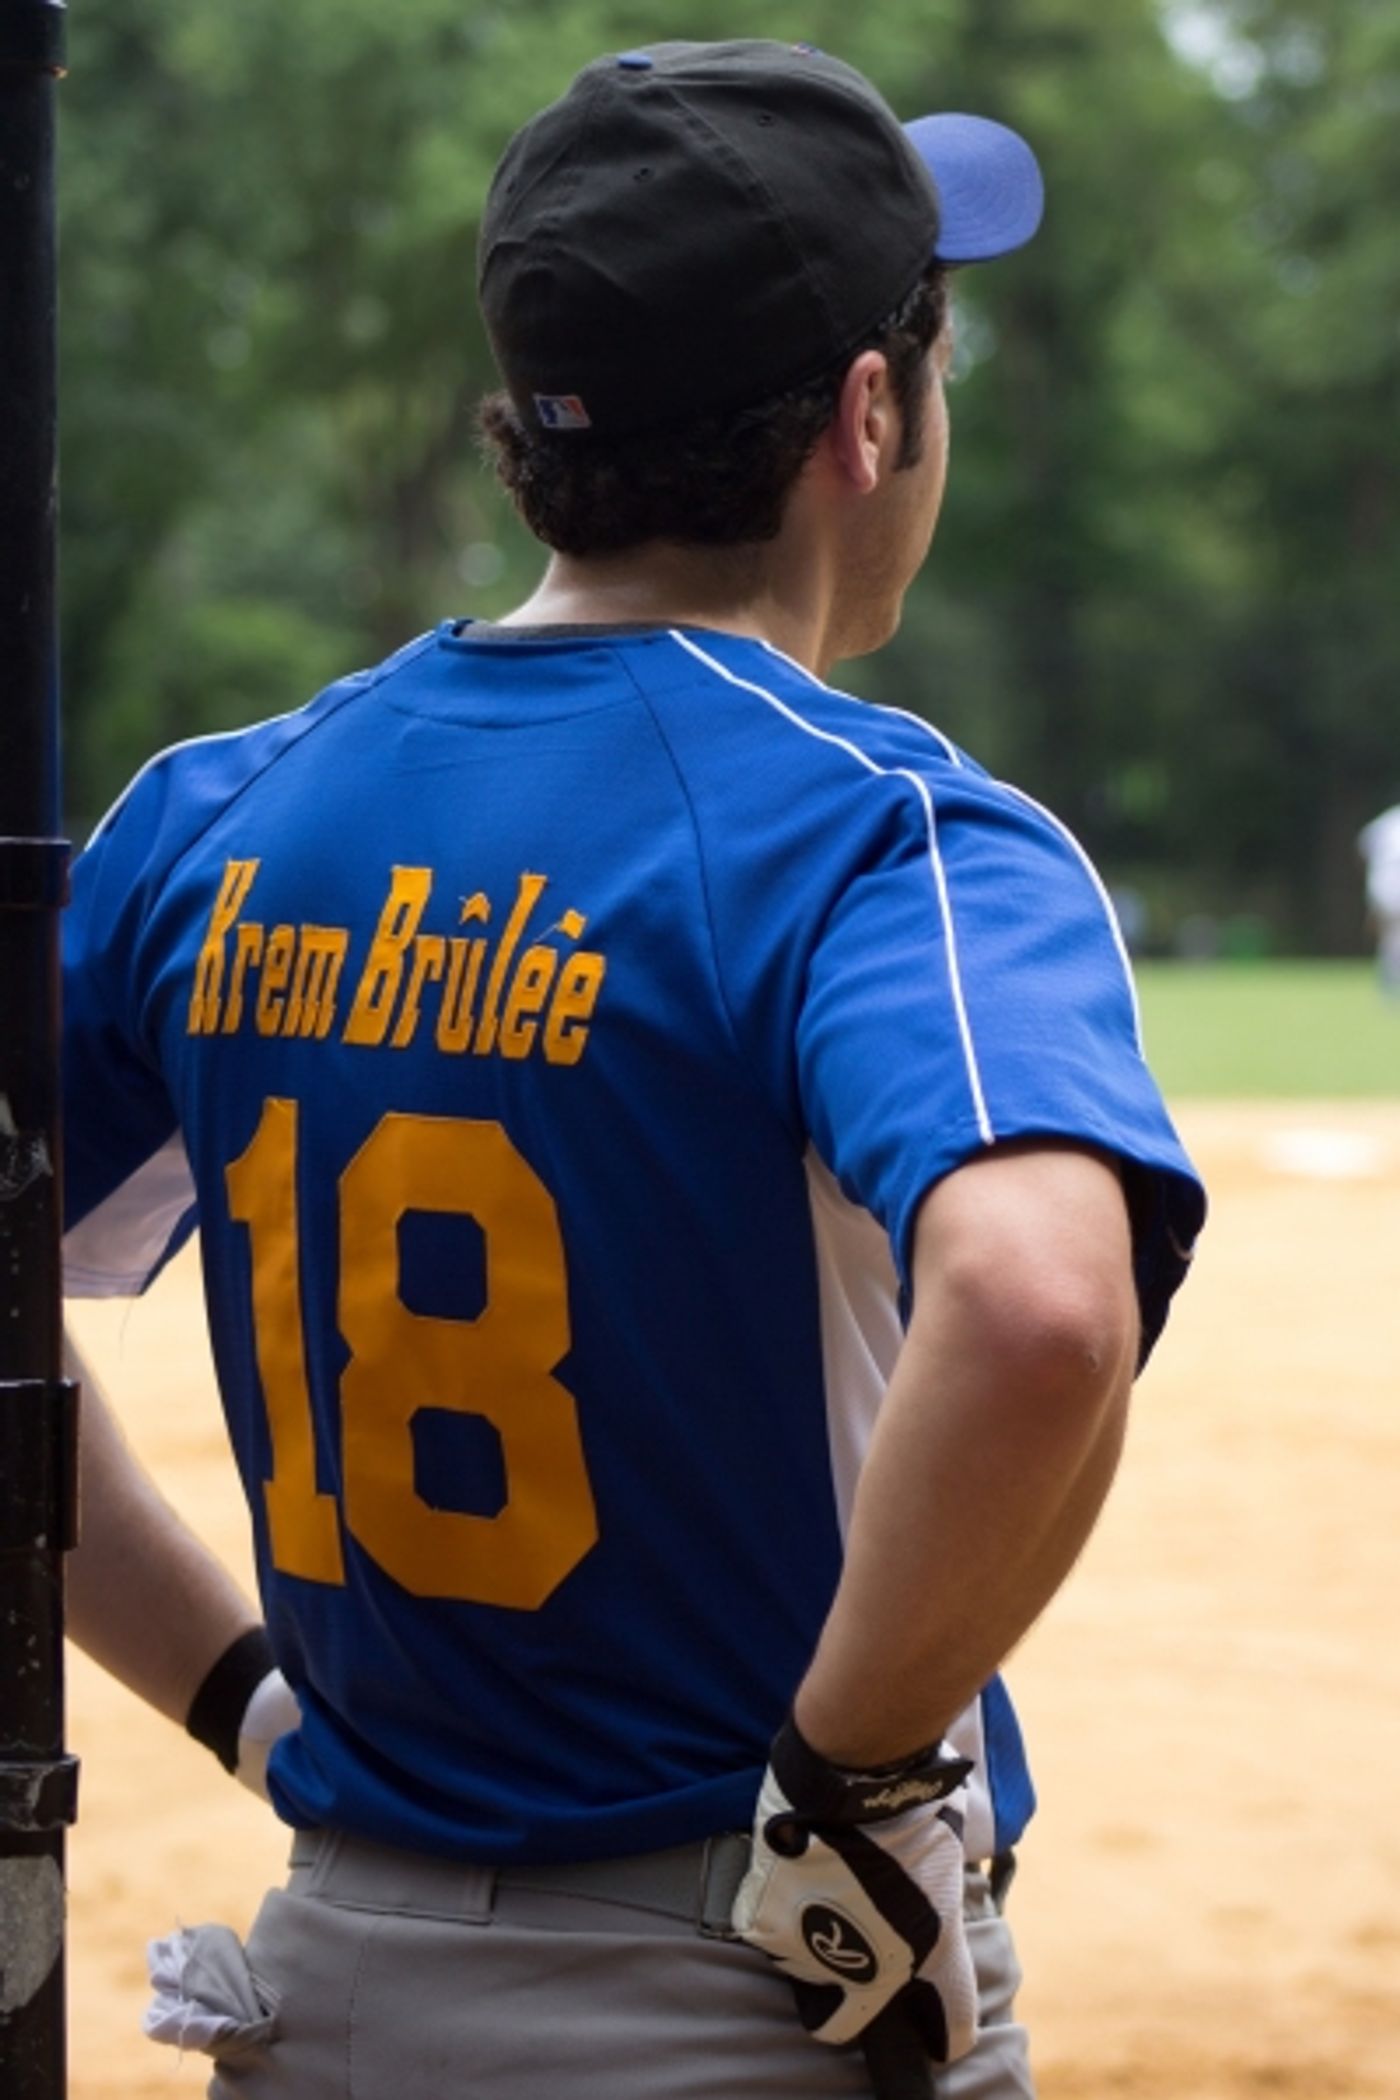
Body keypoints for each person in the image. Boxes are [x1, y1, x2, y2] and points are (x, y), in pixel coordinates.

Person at [62, 39, 1206, 2100]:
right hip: (757, 2001)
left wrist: (240, 1697)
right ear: (871, 418)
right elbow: (1040, 1310)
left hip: (329, 1982)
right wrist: (850, 1786)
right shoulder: (881, 832)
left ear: (524, 441)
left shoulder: (216, 818)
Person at [1358, 803, 1400, 994]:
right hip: (1389, 884)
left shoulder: (1388, 819)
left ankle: (1388, 987)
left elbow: (1363, 847)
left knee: (1390, 938)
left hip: (1381, 885)